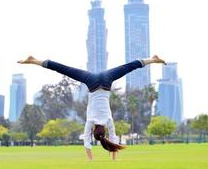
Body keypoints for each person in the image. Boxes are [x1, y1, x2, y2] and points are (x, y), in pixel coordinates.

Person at [18, 55, 166, 161]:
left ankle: (153, 59)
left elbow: (113, 139)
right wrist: (90, 158)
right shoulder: (90, 121)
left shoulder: (108, 120)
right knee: (64, 69)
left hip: (106, 81)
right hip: (92, 82)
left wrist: (113, 157)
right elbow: (86, 142)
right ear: (94, 130)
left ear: (104, 132)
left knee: (128, 67)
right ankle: (34, 60)